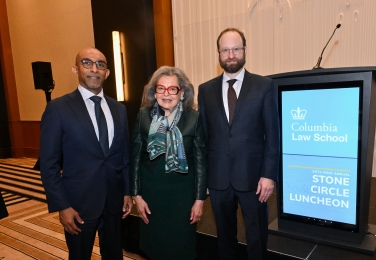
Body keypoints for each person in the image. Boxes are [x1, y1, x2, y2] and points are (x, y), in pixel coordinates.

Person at [40, 47, 132, 260]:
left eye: (100, 64)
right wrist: (62, 206)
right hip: (78, 205)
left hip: (113, 201)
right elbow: (49, 163)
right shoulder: (58, 108)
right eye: (87, 63)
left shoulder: (119, 109)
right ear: (76, 69)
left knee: (114, 255)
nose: (94, 69)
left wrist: (127, 191)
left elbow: (124, 155)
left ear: (107, 73)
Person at [197, 28, 280, 259]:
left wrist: (269, 175)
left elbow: (273, 136)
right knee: (224, 238)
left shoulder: (264, 86)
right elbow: (203, 138)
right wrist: (203, 180)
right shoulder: (205, 90)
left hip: (254, 179)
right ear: (218, 53)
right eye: (226, 50)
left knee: (257, 238)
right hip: (218, 180)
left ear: (244, 50)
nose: (231, 54)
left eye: (236, 49)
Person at [130, 66, 207, 260]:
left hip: (182, 197)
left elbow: (200, 162)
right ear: (154, 92)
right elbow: (136, 158)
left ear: (181, 93)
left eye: (172, 89)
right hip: (151, 195)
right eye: (161, 88)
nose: (166, 94)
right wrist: (137, 196)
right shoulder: (143, 115)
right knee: (154, 249)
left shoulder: (194, 118)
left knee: (181, 249)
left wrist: (199, 200)